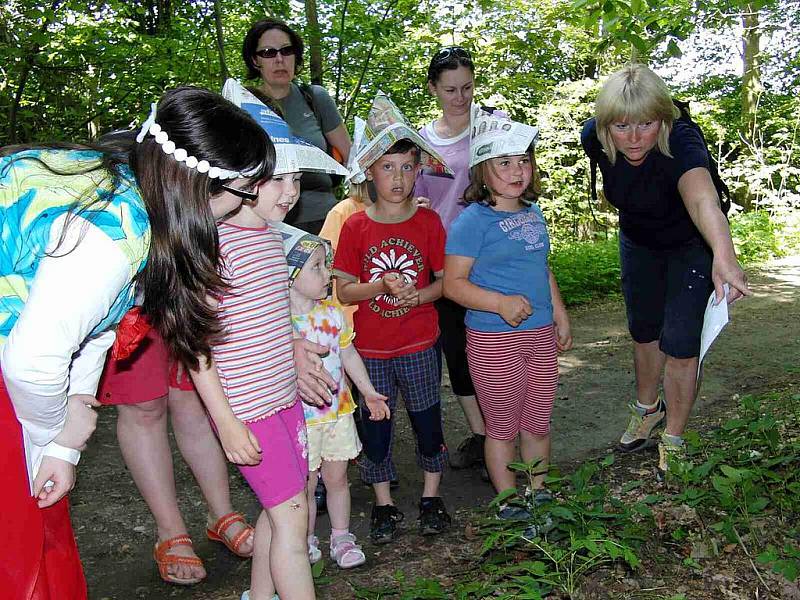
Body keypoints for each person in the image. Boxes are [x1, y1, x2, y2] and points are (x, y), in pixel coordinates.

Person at [0, 86, 274, 599]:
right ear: (197, 186)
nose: (248, 205)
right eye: (242, 191)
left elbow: (95, 327)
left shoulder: (138, 190)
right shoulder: (113, 233)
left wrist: (61, 443)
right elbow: (33, 361)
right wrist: (57, 426)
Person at [581, 64, 750, 470]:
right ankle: (647, 409)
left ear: (663, 118)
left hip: (692, 244)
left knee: (680, 342)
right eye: (621, 127)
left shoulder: (683, 139)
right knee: (644, 332)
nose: (634, 138)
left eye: (646, 124)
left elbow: (701, 201)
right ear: (605, 126)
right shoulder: (593, 137)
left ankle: (673, 436)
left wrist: (724, 256)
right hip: (639, 241)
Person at [333, 93, 453, 544]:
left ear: (419, 170)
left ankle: (431, 496)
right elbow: (344, 289)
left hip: (420, 342)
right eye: (387, 167)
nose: (398, 178)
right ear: (370, 172)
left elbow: (444, 281)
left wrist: (417, 296)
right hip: (371, 350)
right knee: (376, 426)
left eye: (407, 167)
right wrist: (380, 288)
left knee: (427, 421)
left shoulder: (429, 224)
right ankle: (383, 503)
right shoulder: (355, 227)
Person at [444, 113, 572, 512]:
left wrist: (559, 315)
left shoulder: (532, 213)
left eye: (524, 160)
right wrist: (499, 303)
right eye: (504, 162)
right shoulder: (471, 222)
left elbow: (541, 268)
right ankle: (508, 500)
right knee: (502, 428)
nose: (517, 171)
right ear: (483, 170)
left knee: (537, 421)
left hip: (538, 336)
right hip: (493, 340)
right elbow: (453, 285)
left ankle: (539, 491)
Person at [97, 330, 254, 585]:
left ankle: (221, 512)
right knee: (143, 404)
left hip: (179, 293)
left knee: (192, 394)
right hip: (132, 302)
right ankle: (170, 530)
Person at [280, 226, 389, 569]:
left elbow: (349, 355)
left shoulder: (333, 315)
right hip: (301, 420)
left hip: (338, 413)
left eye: (326, 265)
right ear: (290, 274)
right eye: (317, 267)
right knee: (305, 484)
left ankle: (341, 537)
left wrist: (368, 391)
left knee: (338, 479)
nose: (327, 274)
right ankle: (305, 538)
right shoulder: (279, 323)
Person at [415, 46, 493, 472]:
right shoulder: (421, 139)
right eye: (450, 90)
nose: (460, 98)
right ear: (434, 89)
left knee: (494, 343)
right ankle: (481, 436)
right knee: (458, 351)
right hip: (440, 258)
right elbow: (405, 191)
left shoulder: (490, 128)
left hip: (485, 254)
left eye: (466, 87)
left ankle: (504, 431)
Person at [242, 17, 351, 234]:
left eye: (286, 50)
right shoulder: (244, 104)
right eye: (268, 52)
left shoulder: (315, 98)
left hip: (324, 219)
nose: (279, 59)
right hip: (264, 223)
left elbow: (351, 157)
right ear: (255, 61)